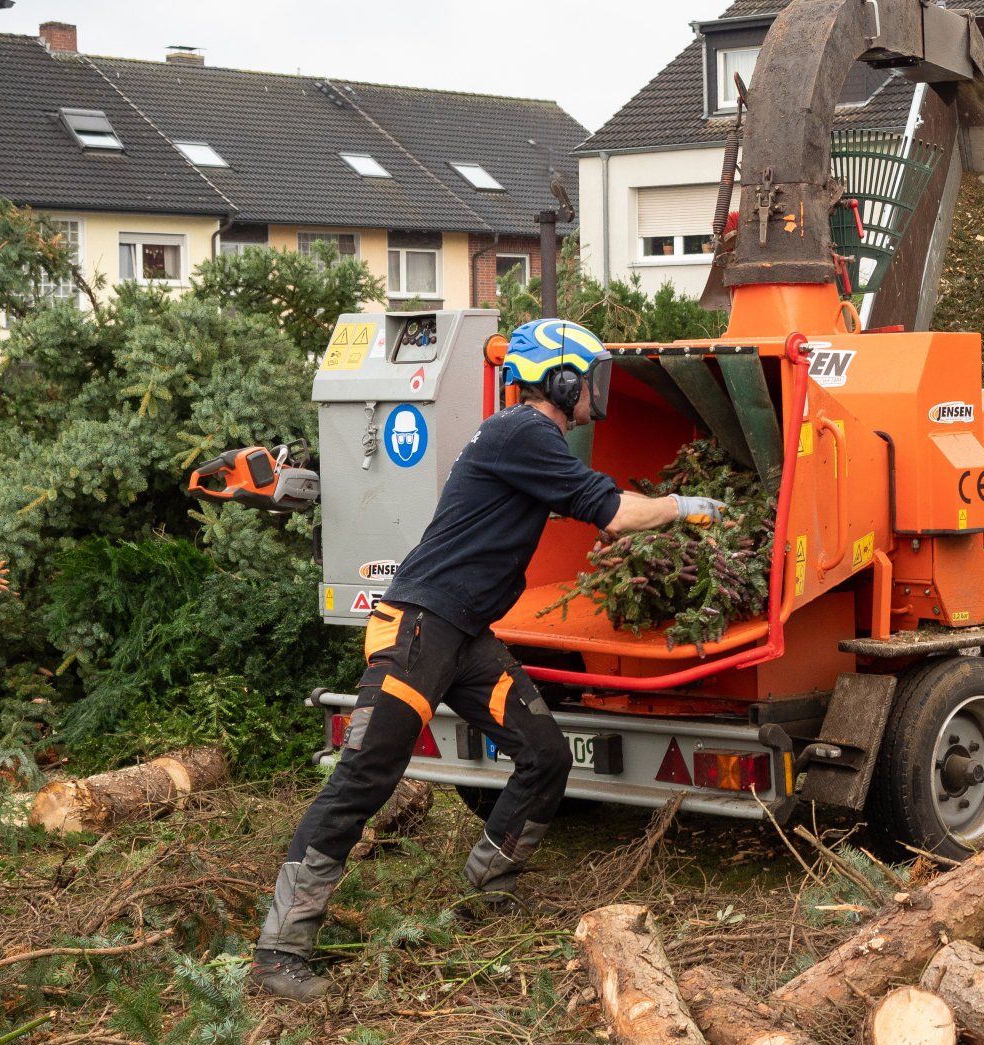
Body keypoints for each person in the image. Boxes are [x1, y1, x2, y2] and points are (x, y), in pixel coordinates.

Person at [251, 317, 724, 1001]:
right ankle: (280, 950)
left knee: (545, 755)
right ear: (561, 381)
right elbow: (614, 514)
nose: (598, 391)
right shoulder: (523, 432)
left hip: (464, 636)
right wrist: (681, 506)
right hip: (418, 631)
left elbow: (579, 505)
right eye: (591, 377)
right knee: (362, 780)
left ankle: (487, 888)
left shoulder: (526, 439)